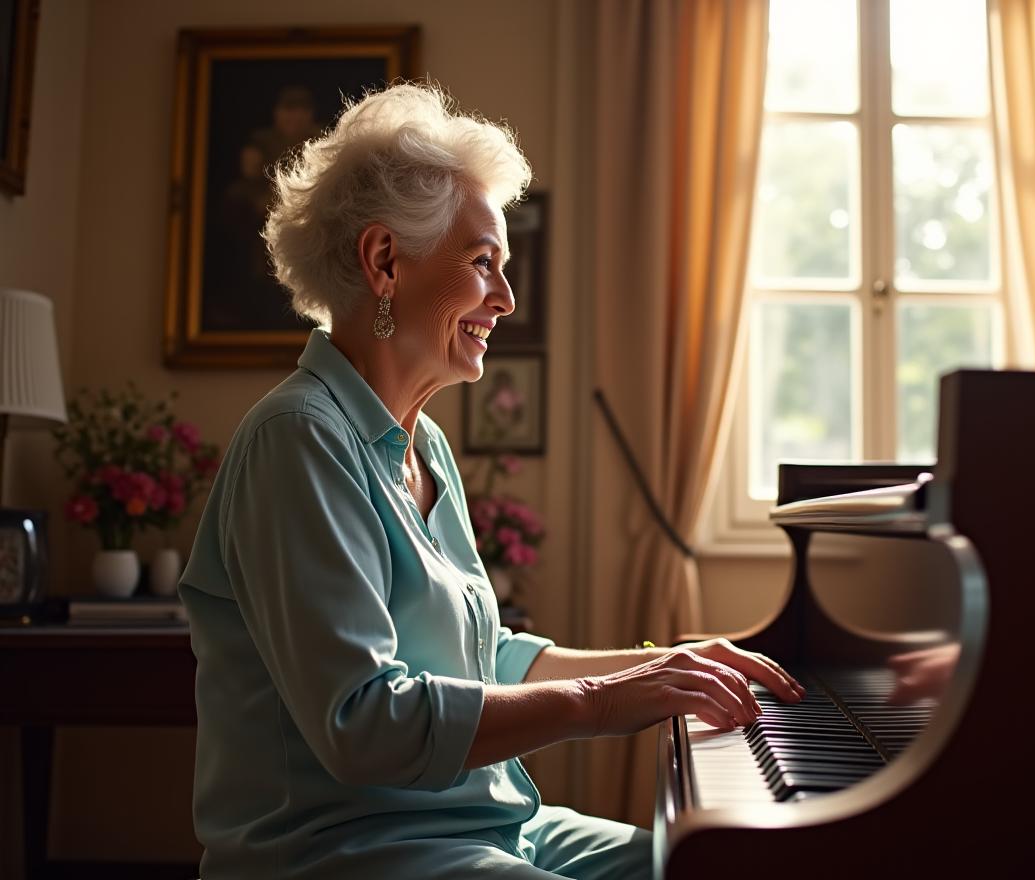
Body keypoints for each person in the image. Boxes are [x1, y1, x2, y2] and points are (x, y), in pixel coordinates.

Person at [178, 82, 805, 880]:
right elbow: (364, 722)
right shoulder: (298, 439)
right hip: (346, 851)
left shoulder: (425, 445)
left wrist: (663, 668)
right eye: (483, 264)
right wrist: (605, 704)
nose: (506, 299)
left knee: (715, 866)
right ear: (384, 261)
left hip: (495, 827)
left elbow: (485, 659)